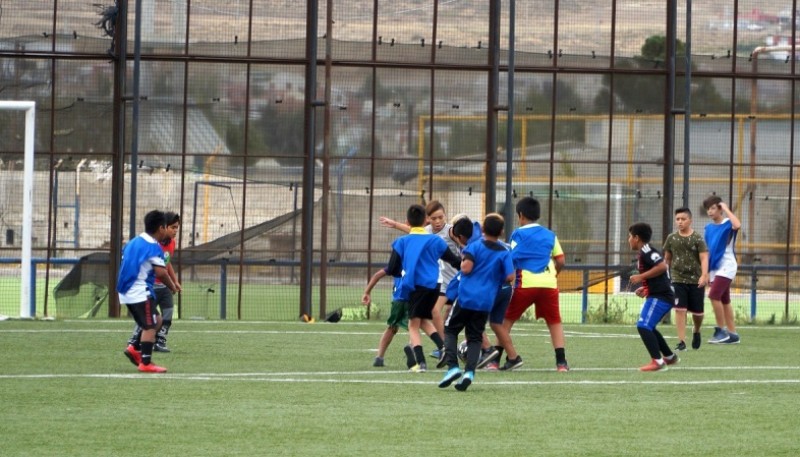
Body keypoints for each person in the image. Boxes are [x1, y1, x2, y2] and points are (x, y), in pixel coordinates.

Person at [439, 214, 514, 391]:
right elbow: (510, 276)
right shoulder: (504, 252)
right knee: (474, 337)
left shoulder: (475, 246)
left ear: (482, 230)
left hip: (467, 297)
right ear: (501, 232)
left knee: (450, 329)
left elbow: (466, 268)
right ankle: (469, 373)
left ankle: (452, 368)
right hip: (486, 301)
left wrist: (465, 263)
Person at [383, 204, 461, 372]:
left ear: (407, 222)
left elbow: (392, 268)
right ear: (426, 220)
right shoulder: (435, 240)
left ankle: (421, 362)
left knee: (413, 325)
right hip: (435, 286)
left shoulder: (402, 241)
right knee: (424, 320)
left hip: (416, 287)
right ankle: (444, 349)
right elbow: (454, 260)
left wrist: (402, 273)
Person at [496, 197, 569, 372]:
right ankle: (561, 363)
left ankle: (495, 359)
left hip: (526, 284)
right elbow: (561, 260)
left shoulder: (517, 234)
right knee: (554, 321)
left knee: (506, 320)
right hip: (549, 283)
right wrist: (554, 274)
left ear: (520, 215)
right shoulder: (550, 235)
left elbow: (511, 257)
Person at [118, 210, 179, 373]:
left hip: (125, 289)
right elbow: (161, 272)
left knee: (157, 320)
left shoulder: (134, 242)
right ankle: (145, 362)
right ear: (161, 228)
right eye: (168, 227)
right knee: (150, 325)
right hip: (138, 290)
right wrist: (173, 286)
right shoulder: (153, 247)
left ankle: (134, 348)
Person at [361, 267, 443, 368]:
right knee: (416, 325)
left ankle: (379, 357)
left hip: (397, 300)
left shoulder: (396, 263)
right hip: (412, 298)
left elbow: (377, 275)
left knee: (392, 327)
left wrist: (367, 292)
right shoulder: (414, 261)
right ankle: (416, 348)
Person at [627, 222, 679, 372]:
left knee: (643, 326)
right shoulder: (645, 252)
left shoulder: (646, 250)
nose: (628, 239)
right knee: (649, 327)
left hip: (661, 296)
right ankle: (669, 357)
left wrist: (640, 277)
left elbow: (662, 266)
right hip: (660, 294)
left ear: (636, 238)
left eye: (630, 236)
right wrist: (646, 287)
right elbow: (659, 274)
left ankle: (658, 362)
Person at [663, 207, 709, 351]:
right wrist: (664, 276)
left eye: (683, 219)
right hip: (677, 279)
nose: (680, 222)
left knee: (698, 313)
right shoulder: (671, 238)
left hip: (695, 280)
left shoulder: (697, 238)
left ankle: (696, 330)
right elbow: (667, 259)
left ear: (690, 220)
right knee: (679, 310)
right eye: (678, 219)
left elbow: (704, 257)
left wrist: (704, 275)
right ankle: (682, 342)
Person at [702, 195, 742, 344]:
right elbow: (708, 250)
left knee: (713, 296)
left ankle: (721, 331)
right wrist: (705, 272)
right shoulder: (709, 228)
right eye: (708, 209)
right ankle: (732, 334)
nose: (710, 212)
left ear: (720, 209)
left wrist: (726, 208)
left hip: (727, 266)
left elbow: (737, 225)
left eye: (713, 208)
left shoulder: (727, 223)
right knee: (724, 300)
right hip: (714, 268)